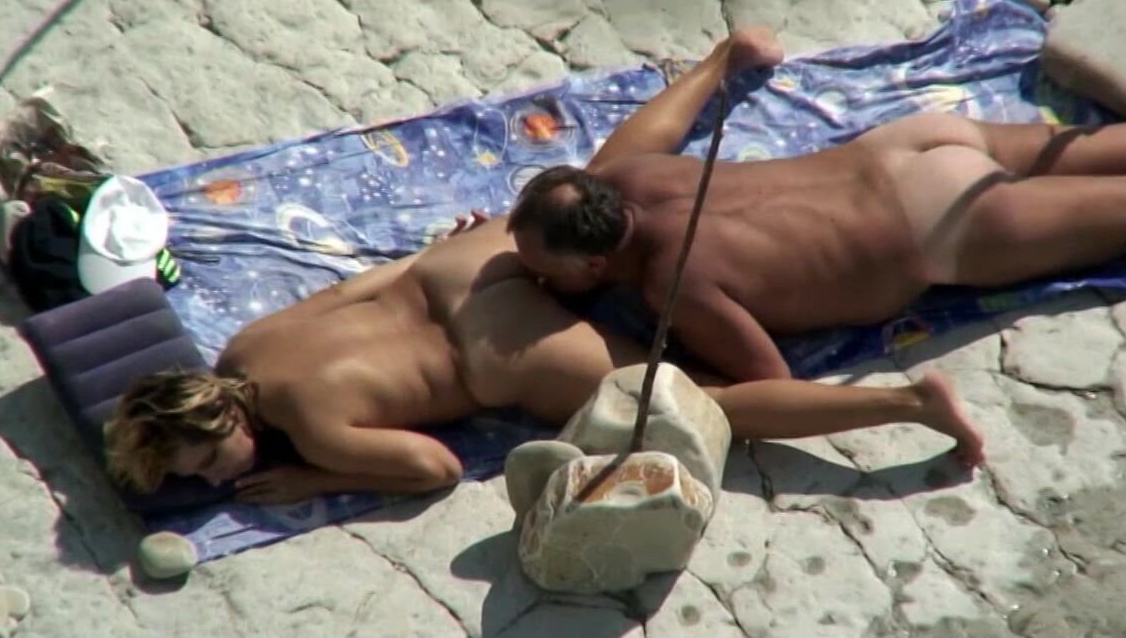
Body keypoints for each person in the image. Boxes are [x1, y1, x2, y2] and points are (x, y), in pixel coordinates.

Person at [103, 30, 984, 507]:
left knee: (702, 405)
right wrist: (447, 249)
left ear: (218, 418)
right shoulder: (246, 347)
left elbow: (433, 470)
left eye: (203, 460)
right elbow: (355, 287)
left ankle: (910, 404)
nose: (211, 480)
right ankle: (722, 62)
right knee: (599, 190)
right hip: (456, 271)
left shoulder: (316, 432)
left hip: (500, 352)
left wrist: (318, 479)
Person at [507, 27, 1126, 383]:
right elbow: (645, 131)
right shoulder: (632, 174)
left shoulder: (677, 286)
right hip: (909, 146)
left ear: (597, 263)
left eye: (547, 269)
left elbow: (769, 385)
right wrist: (720, 62)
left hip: (943, 225)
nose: (539, 280)